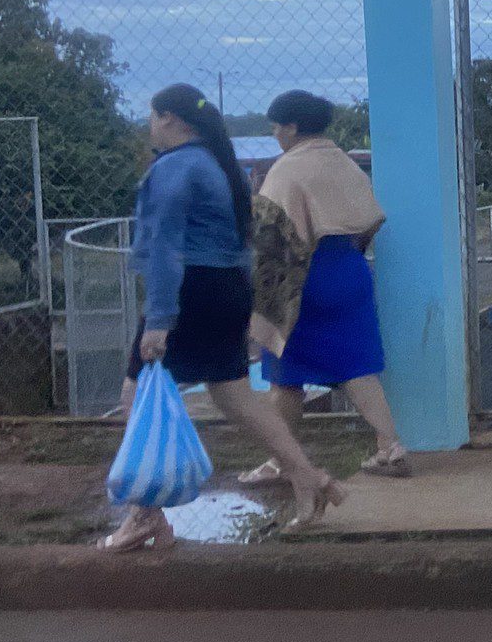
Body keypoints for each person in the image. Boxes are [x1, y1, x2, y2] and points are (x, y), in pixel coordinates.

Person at [98, 83, 345, 551]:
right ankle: (308, 478)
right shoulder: (216, 165)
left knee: (135, 394)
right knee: (236, 397)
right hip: (226, 289)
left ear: (171, 119)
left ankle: (144, 515)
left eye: (153, 117)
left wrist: (158, 320)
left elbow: (167, 247)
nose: (150, 125)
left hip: (189, 292)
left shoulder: (174, 169)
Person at [240, 89, 410, 482]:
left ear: (293, 127)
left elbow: (273, 239)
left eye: (277, 127)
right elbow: (370, 219)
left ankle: (280, 462)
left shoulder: (286, 170)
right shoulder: (344, 164)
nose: (275, 134)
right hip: (349, 272)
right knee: (357, 369)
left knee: (286, 378)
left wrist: (263, 300)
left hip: (303, 282)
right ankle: (390, 446)